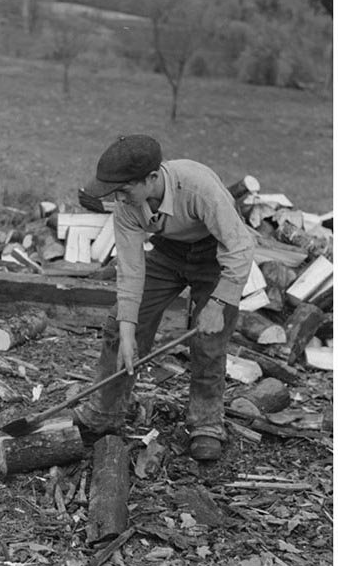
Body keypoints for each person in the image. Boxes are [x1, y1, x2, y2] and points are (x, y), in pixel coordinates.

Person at [74, 134, 255, 462]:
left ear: (152, 178)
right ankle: (104, 414)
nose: (120, 197)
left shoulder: (198, 188)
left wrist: (219, 303)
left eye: (125, 189)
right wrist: (129, 329)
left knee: (208, 340)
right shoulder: (128, 205)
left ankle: (207, 424)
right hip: (169, 253)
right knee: (119, 329)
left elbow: (240, 247)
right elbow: (130, 270)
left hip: (215, 253)